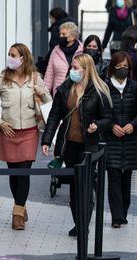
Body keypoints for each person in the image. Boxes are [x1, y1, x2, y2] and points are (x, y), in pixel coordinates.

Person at [41, 53, 113, 236]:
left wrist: (97, 125)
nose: (71, 71)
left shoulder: (98, 91)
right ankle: (78, 223)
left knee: (86, 186)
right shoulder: (65, 88)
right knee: (74, 186)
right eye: (71, 67)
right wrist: (47, 140)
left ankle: (83, 226)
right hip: (69, 145)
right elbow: (54, 115)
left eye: (75, 68)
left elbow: (108, 119)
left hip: (89, 146)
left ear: (86, 69)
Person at [0, 43, 52, 230]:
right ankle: (20, 205)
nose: (10, 58)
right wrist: (0, 123)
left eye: (13, 55)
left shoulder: (35, 78)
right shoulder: (1, 79)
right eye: (9, 54)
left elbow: (49, 102)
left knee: (23, 173)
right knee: (14, 174)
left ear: (23, 58)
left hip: (29, 132)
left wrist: (42, 93)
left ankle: (17, 216)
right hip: (8, 132)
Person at [106, 51, 137, 228]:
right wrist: (111, 125)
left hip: (130, 139)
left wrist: (134, 124)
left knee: (126, 178)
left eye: (125, 66)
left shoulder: (136, 87)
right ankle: (117, 216)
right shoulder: (105, 87)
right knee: (113, 176)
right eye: (118, 66)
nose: (122, 69)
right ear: (112, 68)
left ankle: (124, 210)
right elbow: (100, 113)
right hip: (111, 139)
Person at [44, 22, 83, 96]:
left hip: (78, 95)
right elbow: (49, 75)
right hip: (59, 95)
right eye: (60, 34)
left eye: (64, 34)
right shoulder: (55, 50)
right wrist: (44, 94)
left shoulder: (82, 51)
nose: (61, 36)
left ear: (73, 37)